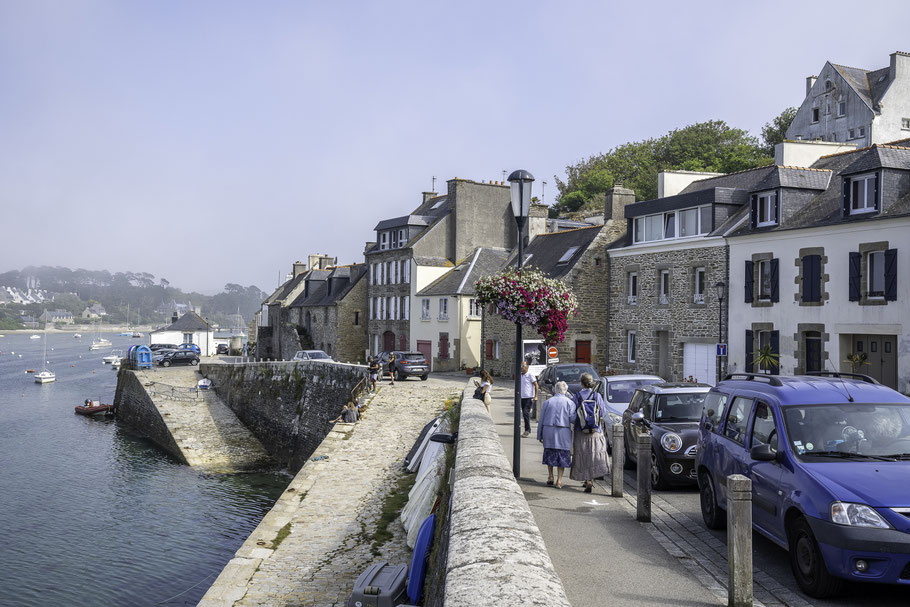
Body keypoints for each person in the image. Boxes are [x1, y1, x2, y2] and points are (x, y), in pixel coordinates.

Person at [570, 373, 609, 493]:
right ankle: (591, 479)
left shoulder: (576, 396)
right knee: (593, 455)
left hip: (580, 431)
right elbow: (603, 413)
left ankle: (586, 479)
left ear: (581, 383)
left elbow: (572, 416)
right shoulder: (597, 396)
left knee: (583, 455)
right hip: (596, 431)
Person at [537, 381, 576, 488]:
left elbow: (541, 419)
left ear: (555, 390)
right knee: (562, 456)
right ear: (566, 391)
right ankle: (559, 480)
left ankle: (550, 476)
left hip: (548, 431)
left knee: (550, 453)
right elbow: (573, 419)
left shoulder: (548, 402)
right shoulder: (570, 403)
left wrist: (539, 434)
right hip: (563, 432)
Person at [519, 361, 538, 437]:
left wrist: (535, 396)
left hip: (529, 397)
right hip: (522, 397)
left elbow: (536, 385)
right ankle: (526, 429)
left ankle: (527, 430)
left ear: (527, 367)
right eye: (521, 366)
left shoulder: (530, 375)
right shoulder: (520, 375)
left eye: (523, 366)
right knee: (524, 413)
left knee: (525, 412)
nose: (522, 368)